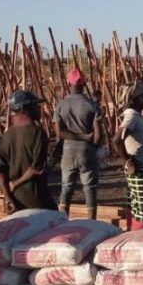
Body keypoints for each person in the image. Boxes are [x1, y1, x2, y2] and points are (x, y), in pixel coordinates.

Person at [53, 68, 103, 218]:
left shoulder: (61, 105)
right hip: (87, 152)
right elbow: (98, 135)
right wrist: (89, 142)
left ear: (68, 83)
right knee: (90, 188)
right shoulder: (92, 105)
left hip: (68, 152)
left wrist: (77, 138)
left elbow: (59, 133)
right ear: (84, 84)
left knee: (66, 188)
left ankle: (62, 220)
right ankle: (91, 223)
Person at [0, 90, 55, 211]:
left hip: (15, 200)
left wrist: (8, 198)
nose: (39, 109)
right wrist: (16, 183)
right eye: (35, 106)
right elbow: (35, 169)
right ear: (24, 109)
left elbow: (0, 173)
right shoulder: (38, 133)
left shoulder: (7, 135)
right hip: (37, 198)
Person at [115, 81, 143, 230]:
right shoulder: (131, 117)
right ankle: (138, 239)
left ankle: (132, 234)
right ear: (133, 100)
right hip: (141, 170)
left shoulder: (136, 117)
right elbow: (116, 141)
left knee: (137, 206)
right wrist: (128, 161)